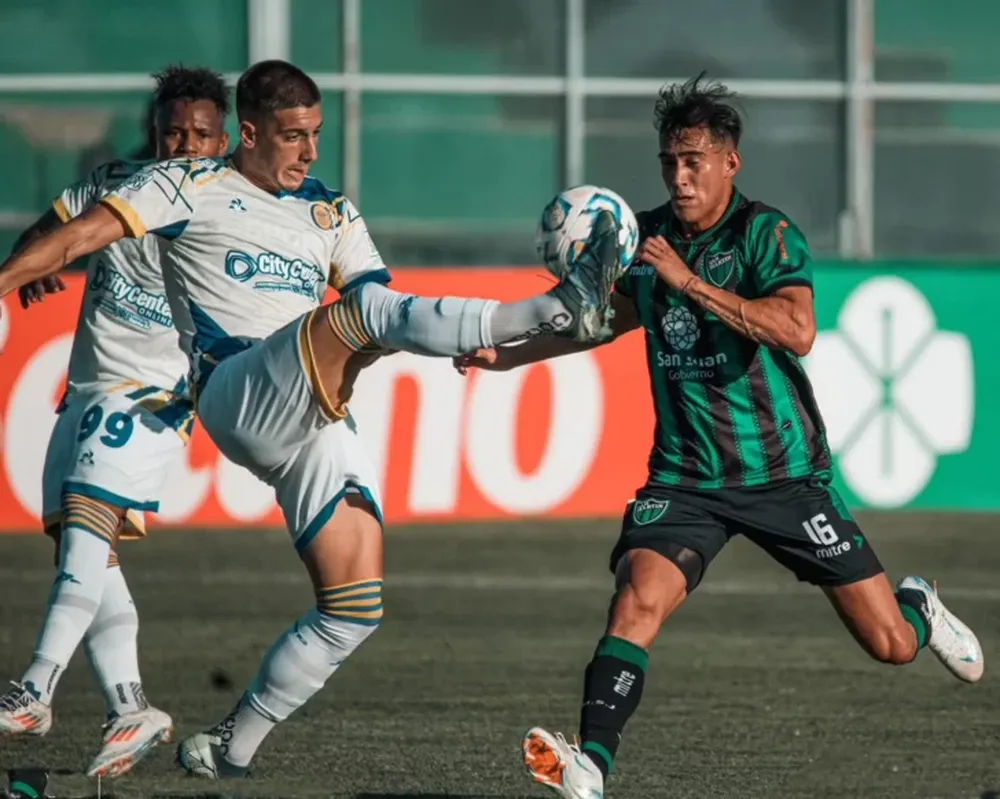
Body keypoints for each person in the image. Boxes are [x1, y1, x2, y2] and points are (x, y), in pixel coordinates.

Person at [0, 59, 621, 779]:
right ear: (252, 133)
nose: (310, 151)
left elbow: (387, 317)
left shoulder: (332, 211)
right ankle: (559, 304)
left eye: (317, 134)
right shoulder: (185, 184)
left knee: (354, 606)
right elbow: (76, 237)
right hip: (236, 389)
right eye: (294, 136)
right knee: (357, 315)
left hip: (310, 409)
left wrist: (479, 342)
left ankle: (229, 747)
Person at [454, 74, 983, 799]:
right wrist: (507, 353)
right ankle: (592, 765)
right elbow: (599, 322)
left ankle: (920, 603)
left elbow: (797, 330)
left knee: (889, 644)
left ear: (730, 162)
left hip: (783, 476)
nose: (679, 175)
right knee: (636, 598)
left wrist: (689, 282)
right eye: (670, 160)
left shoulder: (765, 233)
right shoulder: (643, 237)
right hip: (684, 481)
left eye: (695, 159)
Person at [0, 64, 231, 779]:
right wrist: (27, 260)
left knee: (85, 523)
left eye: (198, 135)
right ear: (153, 133)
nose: (183, 145)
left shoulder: (229, 205)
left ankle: (35, 688)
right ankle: (130, 705)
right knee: (89, 549)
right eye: (171, 132)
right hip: (89, 388)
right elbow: (53, 228)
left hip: (155, 393)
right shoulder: (113, 184)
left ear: (223, 141)